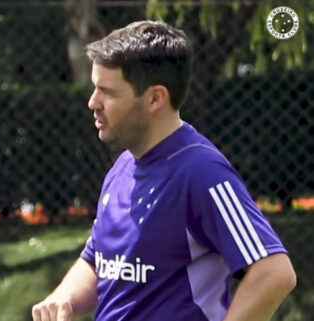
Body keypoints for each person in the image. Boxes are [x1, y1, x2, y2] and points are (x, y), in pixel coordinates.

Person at [31, 20, 296, 321]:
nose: (93, 102)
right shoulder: (122, 168)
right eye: (95, 88)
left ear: (155, 98)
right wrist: (63, 297)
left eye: (108, 92)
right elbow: (98, 261)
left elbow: (274, 273)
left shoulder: (202, 173)